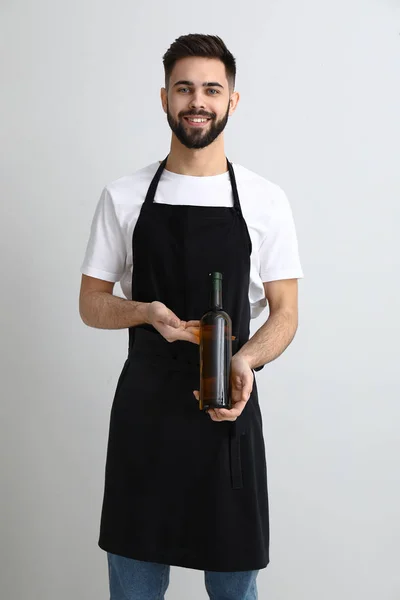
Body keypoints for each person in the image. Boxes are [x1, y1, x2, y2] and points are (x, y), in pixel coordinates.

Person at [79, 33, 303, 600]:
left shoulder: (265, 200)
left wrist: (245, 360)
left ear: (232, 100)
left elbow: (286, 314)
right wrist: (144, 312)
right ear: (164, 99)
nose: (196, 100)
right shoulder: (124, 195)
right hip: (145, 416)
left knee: (234, 590)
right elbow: (91, 303)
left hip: (227, 409)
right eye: (184, 88)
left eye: (210, 88)